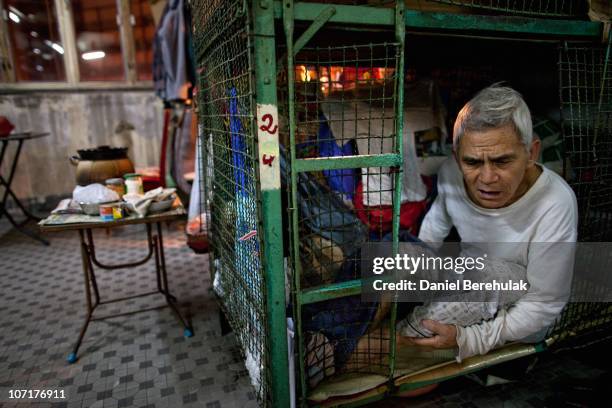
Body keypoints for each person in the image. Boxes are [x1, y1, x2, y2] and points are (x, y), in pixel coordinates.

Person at [401, 84, 578, 361]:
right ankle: (361, 337)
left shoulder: (556, 201)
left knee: (496, 277)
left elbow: (544, 303)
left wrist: (469, 339)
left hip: (516, 316)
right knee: (397, 254)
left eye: (502, 161)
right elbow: (434, 228)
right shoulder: (451, 172)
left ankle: (400, 343)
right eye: (472, 162)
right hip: (468, 283)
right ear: (458, 156)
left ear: (531, 153)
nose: (486, 178)